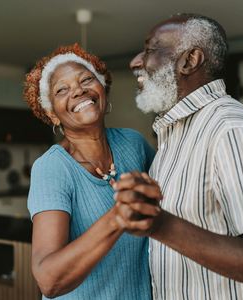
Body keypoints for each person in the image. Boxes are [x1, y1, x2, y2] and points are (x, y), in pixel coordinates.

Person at [111, 13, 243, 299]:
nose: (136, 61)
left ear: (189, 60)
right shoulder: (175, 135)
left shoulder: (230, 130)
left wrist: (159, 224)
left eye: (150, 50)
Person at [24, 44, 156, 299]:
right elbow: (49, 280)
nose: (78, 90)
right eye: (62, 89)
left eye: (86, 79)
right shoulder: (52, 168)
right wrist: (118, 217)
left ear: (103, 89)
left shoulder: (134, 143)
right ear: (52, 115)